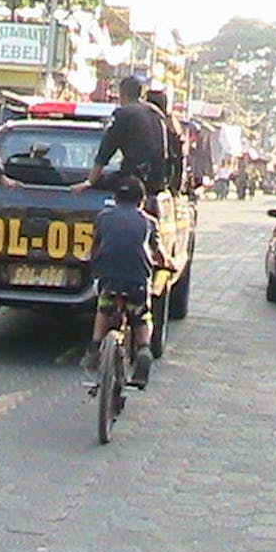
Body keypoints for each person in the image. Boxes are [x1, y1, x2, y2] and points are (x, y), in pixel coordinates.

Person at [79, 176, 159, 388]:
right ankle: (143, 352)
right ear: (142, 200)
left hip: (109, 279)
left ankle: (95, 346)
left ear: (114, 198)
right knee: (141, 317)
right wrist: (168, 264)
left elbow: (95, 248)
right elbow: (157, 254)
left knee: (104, 308)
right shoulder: (149, 222)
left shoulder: (103, 217)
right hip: (136, 282)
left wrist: (89, 261)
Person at [72, 77, 166, 203]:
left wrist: (89, 182)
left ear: (122, 94)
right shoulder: (156, 113)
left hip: (134, 177)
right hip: (157, 181)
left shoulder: (124, 114)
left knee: (101, 182)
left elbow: (106, 150)